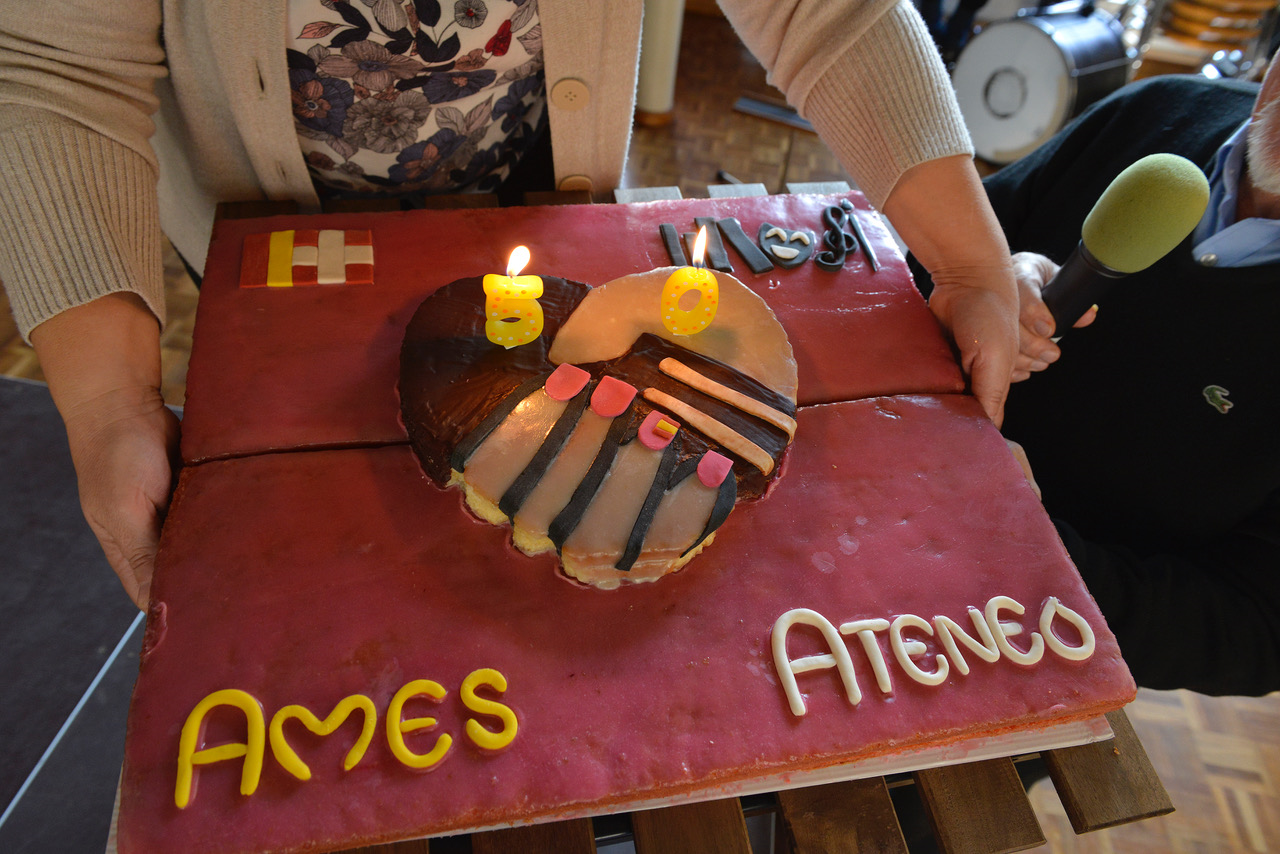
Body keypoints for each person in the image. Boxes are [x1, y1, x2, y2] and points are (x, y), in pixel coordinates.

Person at [0, 0, 1018, 609]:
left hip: (544, 221)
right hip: (282, 259)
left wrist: (969, 263)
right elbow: (57, 67)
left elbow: (828, 13)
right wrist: (108, 407)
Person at [915, 61, 1280, 696]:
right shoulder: (1161, 108)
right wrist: (990, 274)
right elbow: (923, 257)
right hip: (873, 485)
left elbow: (1255, 629)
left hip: (1021, 651)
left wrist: (1024, 550)